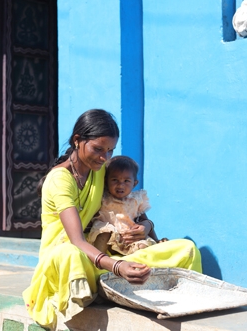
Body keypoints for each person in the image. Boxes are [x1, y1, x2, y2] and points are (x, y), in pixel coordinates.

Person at [22, 109, 202, 330]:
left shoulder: (99, 169)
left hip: (103, 257)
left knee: (185, 248)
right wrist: (118, 267)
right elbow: (77, 241)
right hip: (71, 262)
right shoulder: (60, 180)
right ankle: (110, 284)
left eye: (110, 151)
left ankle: (110, 287)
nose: (104, 157)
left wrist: (146, 227)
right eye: (98, 149)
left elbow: (129, 203)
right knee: (69, 253)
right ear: (77, 140)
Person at [87, 155, 168, 255]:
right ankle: (99, 259)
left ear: (134, 183)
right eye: (115, 180)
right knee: (103, 231)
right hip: (109, 241)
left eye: (126, 181)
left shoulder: (136, 200)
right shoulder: (102, 198)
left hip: (129, 240)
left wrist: (156, 239)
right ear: (106, 181)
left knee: (143, 246)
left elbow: (145, 222)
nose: (120, 185)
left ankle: (135, 263)